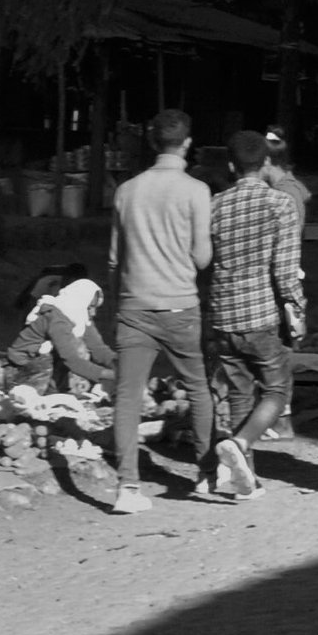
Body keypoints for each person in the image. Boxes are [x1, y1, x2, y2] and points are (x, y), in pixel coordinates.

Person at [105, 107, 216, 515]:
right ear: (187, 143)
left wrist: (119, 305)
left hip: (134, 307)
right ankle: (206, 475)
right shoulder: (196, 191)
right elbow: (202, 258)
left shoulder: (126, 190)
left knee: (127, 397)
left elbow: (115, 260)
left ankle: (127, 487)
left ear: (152, 142)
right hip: (181, 306)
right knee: (198, 389)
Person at [204, 130, 307, 499]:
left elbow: (203, 260)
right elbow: (285, 273)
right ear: (266, 163)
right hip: (262, 316)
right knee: (277, 392)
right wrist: (297, 311)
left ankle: (242, 480)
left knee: (239, 395)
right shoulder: (280, 205)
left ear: (231, 166)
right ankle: (242, 443)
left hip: (223, 315)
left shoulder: (213, 206)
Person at [3, 271, 114, 394]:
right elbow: (72, 361)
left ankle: (55, 390)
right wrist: (111, 375)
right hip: (21, 369)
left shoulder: (80, 317)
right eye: (89, 307)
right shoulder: (56, 318)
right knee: (68, 354)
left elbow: (99, 349)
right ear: (79, 302)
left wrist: (124, 365)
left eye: (94, 308)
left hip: (46, 365)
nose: (93, 313)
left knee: (76, 351)